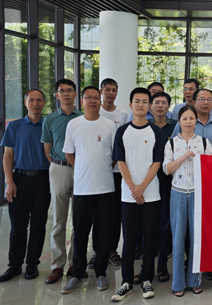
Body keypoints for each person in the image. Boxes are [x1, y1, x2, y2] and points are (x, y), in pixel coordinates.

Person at [111, 87, 167, 302]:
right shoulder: (122, 131)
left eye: (145, 101)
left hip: (151, 194)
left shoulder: (156, 131)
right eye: (137, 101)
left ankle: (146, 279)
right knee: (129, 239)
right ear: (131, 104)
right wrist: (134, 188)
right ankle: (126, 282)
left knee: (150, 239)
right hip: (129, 196)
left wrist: (142, 186)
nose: (141, 105)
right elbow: (121, 162)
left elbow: (157, 162)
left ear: (149, 106)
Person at [61, 86, 117, 294]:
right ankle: (77, 273)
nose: (93, 101)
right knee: (80, 231)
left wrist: (100, 169)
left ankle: (101, 272)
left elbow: (114, 156)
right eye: (89, 98)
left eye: (96, 98)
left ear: (100, 101)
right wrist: (83, 169)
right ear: (81, 101)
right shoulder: (74, 124)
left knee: (103, 231)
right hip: (82, 188)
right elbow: (69, 154)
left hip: (105, 187)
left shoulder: (109, 125)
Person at [0, 89, 51, 283]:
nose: (35, 103)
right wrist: (9, 182)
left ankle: (32, 264)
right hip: (19, 180)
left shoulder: (48, 125)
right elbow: (8, 155)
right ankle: (14, 265)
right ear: (25, 102)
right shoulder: (14, 126)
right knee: (18, 226)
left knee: (38, 224)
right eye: (31, 100)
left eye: (39, 100)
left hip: (43, 180)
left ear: (43, 103)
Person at [164, 105, 212, 296]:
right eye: (184, 118)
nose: (188, 122)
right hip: (177, 193)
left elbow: (211, 169)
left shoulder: (204, 142)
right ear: (179, 121)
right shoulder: (171, 143)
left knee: (196, 239)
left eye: (191, 118)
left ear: (196, 121)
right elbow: (166, 169)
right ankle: (178, 283)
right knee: (177, 239)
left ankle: (194, 280)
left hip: (198, 194)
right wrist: (184, 156)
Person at [41, 78, 82, 285]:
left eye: (69, 90)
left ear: (75, 94)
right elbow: (47, 150)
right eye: (62, 91)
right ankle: (57, 265)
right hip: (59, 169)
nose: (66, 94)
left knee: (79, 219)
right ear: (57, 95)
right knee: (58, 220)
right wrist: (60, 166)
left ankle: (76, 263)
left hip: (82, 171)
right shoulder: (49, 120)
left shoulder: (84, 117)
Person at [94, 78, 129, 269]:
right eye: (107, 89)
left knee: (114, 214)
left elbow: (122, 142)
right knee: (98, 214)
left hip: (116, 172)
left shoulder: (122, 114)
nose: (110, 93)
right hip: (97, 171)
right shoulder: (95, 111)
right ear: (101, 91)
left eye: (114, 90)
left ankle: (112, 250)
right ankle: (97, 251)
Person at [151, 92, 178, 284]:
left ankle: (162, 264)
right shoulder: (144, 125)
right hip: (146, 180)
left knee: (164, 223)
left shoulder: (175, 125)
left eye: (164, 103)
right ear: (150, 106)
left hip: (168, 180)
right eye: (156, 102)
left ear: (169, 106)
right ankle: (146, 266)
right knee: (146, 224)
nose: (160, 106)